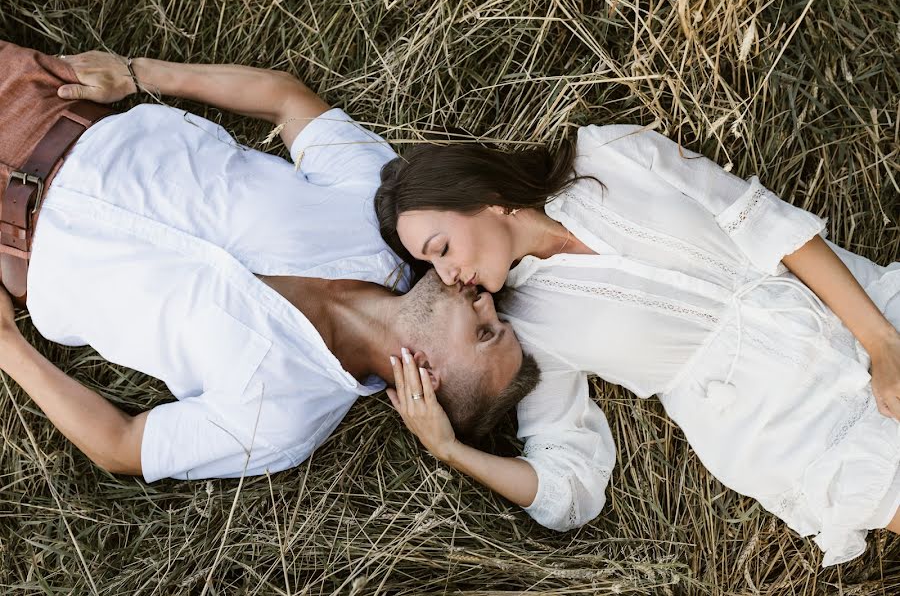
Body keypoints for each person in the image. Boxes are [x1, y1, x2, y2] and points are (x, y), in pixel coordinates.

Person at [0, 40, 539, 490]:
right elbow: (287, 100)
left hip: (12, 250)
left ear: (426, 378)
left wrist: (9, 347)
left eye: (486, 333)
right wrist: (137, 74)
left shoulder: (283, 420)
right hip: (46, 115)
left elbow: (121, 445)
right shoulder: (388, 217)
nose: (486, 297)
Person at [375, 125, 900, 567]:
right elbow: (567, 484)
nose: (447, 274)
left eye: (441, 249)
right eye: (433, 265)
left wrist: (880, 342)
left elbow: (768, 223)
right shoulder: (526, 327)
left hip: (859, 310)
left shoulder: (606, 154)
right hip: (795, 434)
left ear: (483, 198)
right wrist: (449, 450)